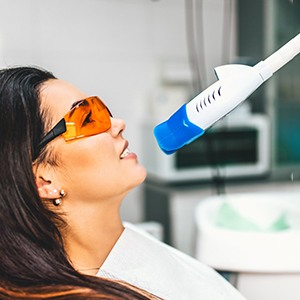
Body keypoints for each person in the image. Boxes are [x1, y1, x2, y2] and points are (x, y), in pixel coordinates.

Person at [0, 66, 246, 300]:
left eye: (102, 109)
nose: (117, 124)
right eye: (87, 118)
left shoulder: (126, 241)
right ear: (44, 181)